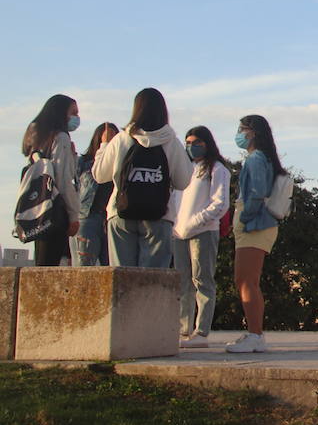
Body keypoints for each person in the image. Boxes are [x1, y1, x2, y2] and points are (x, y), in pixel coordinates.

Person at [93, 88, 192, 269]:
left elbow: (100, 175)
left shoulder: (122, 139)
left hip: (121, 213)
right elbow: (183, 181)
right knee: (152, 281)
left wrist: (104, 144)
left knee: (122, 280)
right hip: (159, 216)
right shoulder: (171, 141)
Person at [227, 114, 287, 353]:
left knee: (246, 281)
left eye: (242, 129)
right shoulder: (264, 158)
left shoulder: (256, 159)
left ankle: (256, 335)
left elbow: (256, 191)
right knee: (245, 280)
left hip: (255, 223)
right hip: (260, 223)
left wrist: (244, 217)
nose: (239, 134)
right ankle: (254, 333)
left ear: (253, 132)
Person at [173, 126, 230, 348]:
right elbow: (175, 198)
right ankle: (182, 329)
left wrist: (196, 221)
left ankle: (201, 331)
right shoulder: (184, 169)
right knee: (182, 282)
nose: (191, 147)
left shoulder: (217, 169)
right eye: (187, 142)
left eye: (196, 142)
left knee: (202, 280)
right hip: (178, 233)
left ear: (207, 143)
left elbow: (220, 204)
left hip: (203, 231)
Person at [19, 95, 82, 267]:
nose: (77, 117)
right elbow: (63, 180)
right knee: (51, 264)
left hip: (37, 206)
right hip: (55, 209)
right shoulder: (61, 138)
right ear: (61, 113)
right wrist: (74, 215)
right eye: (73, 112)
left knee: (40, 261)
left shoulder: (36, 137)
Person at [72, 122, 118, 267]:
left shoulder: (120, 163)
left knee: (112, 267)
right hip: (87, 216)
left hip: (110, 218)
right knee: (83, 266)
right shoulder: (84, 162)